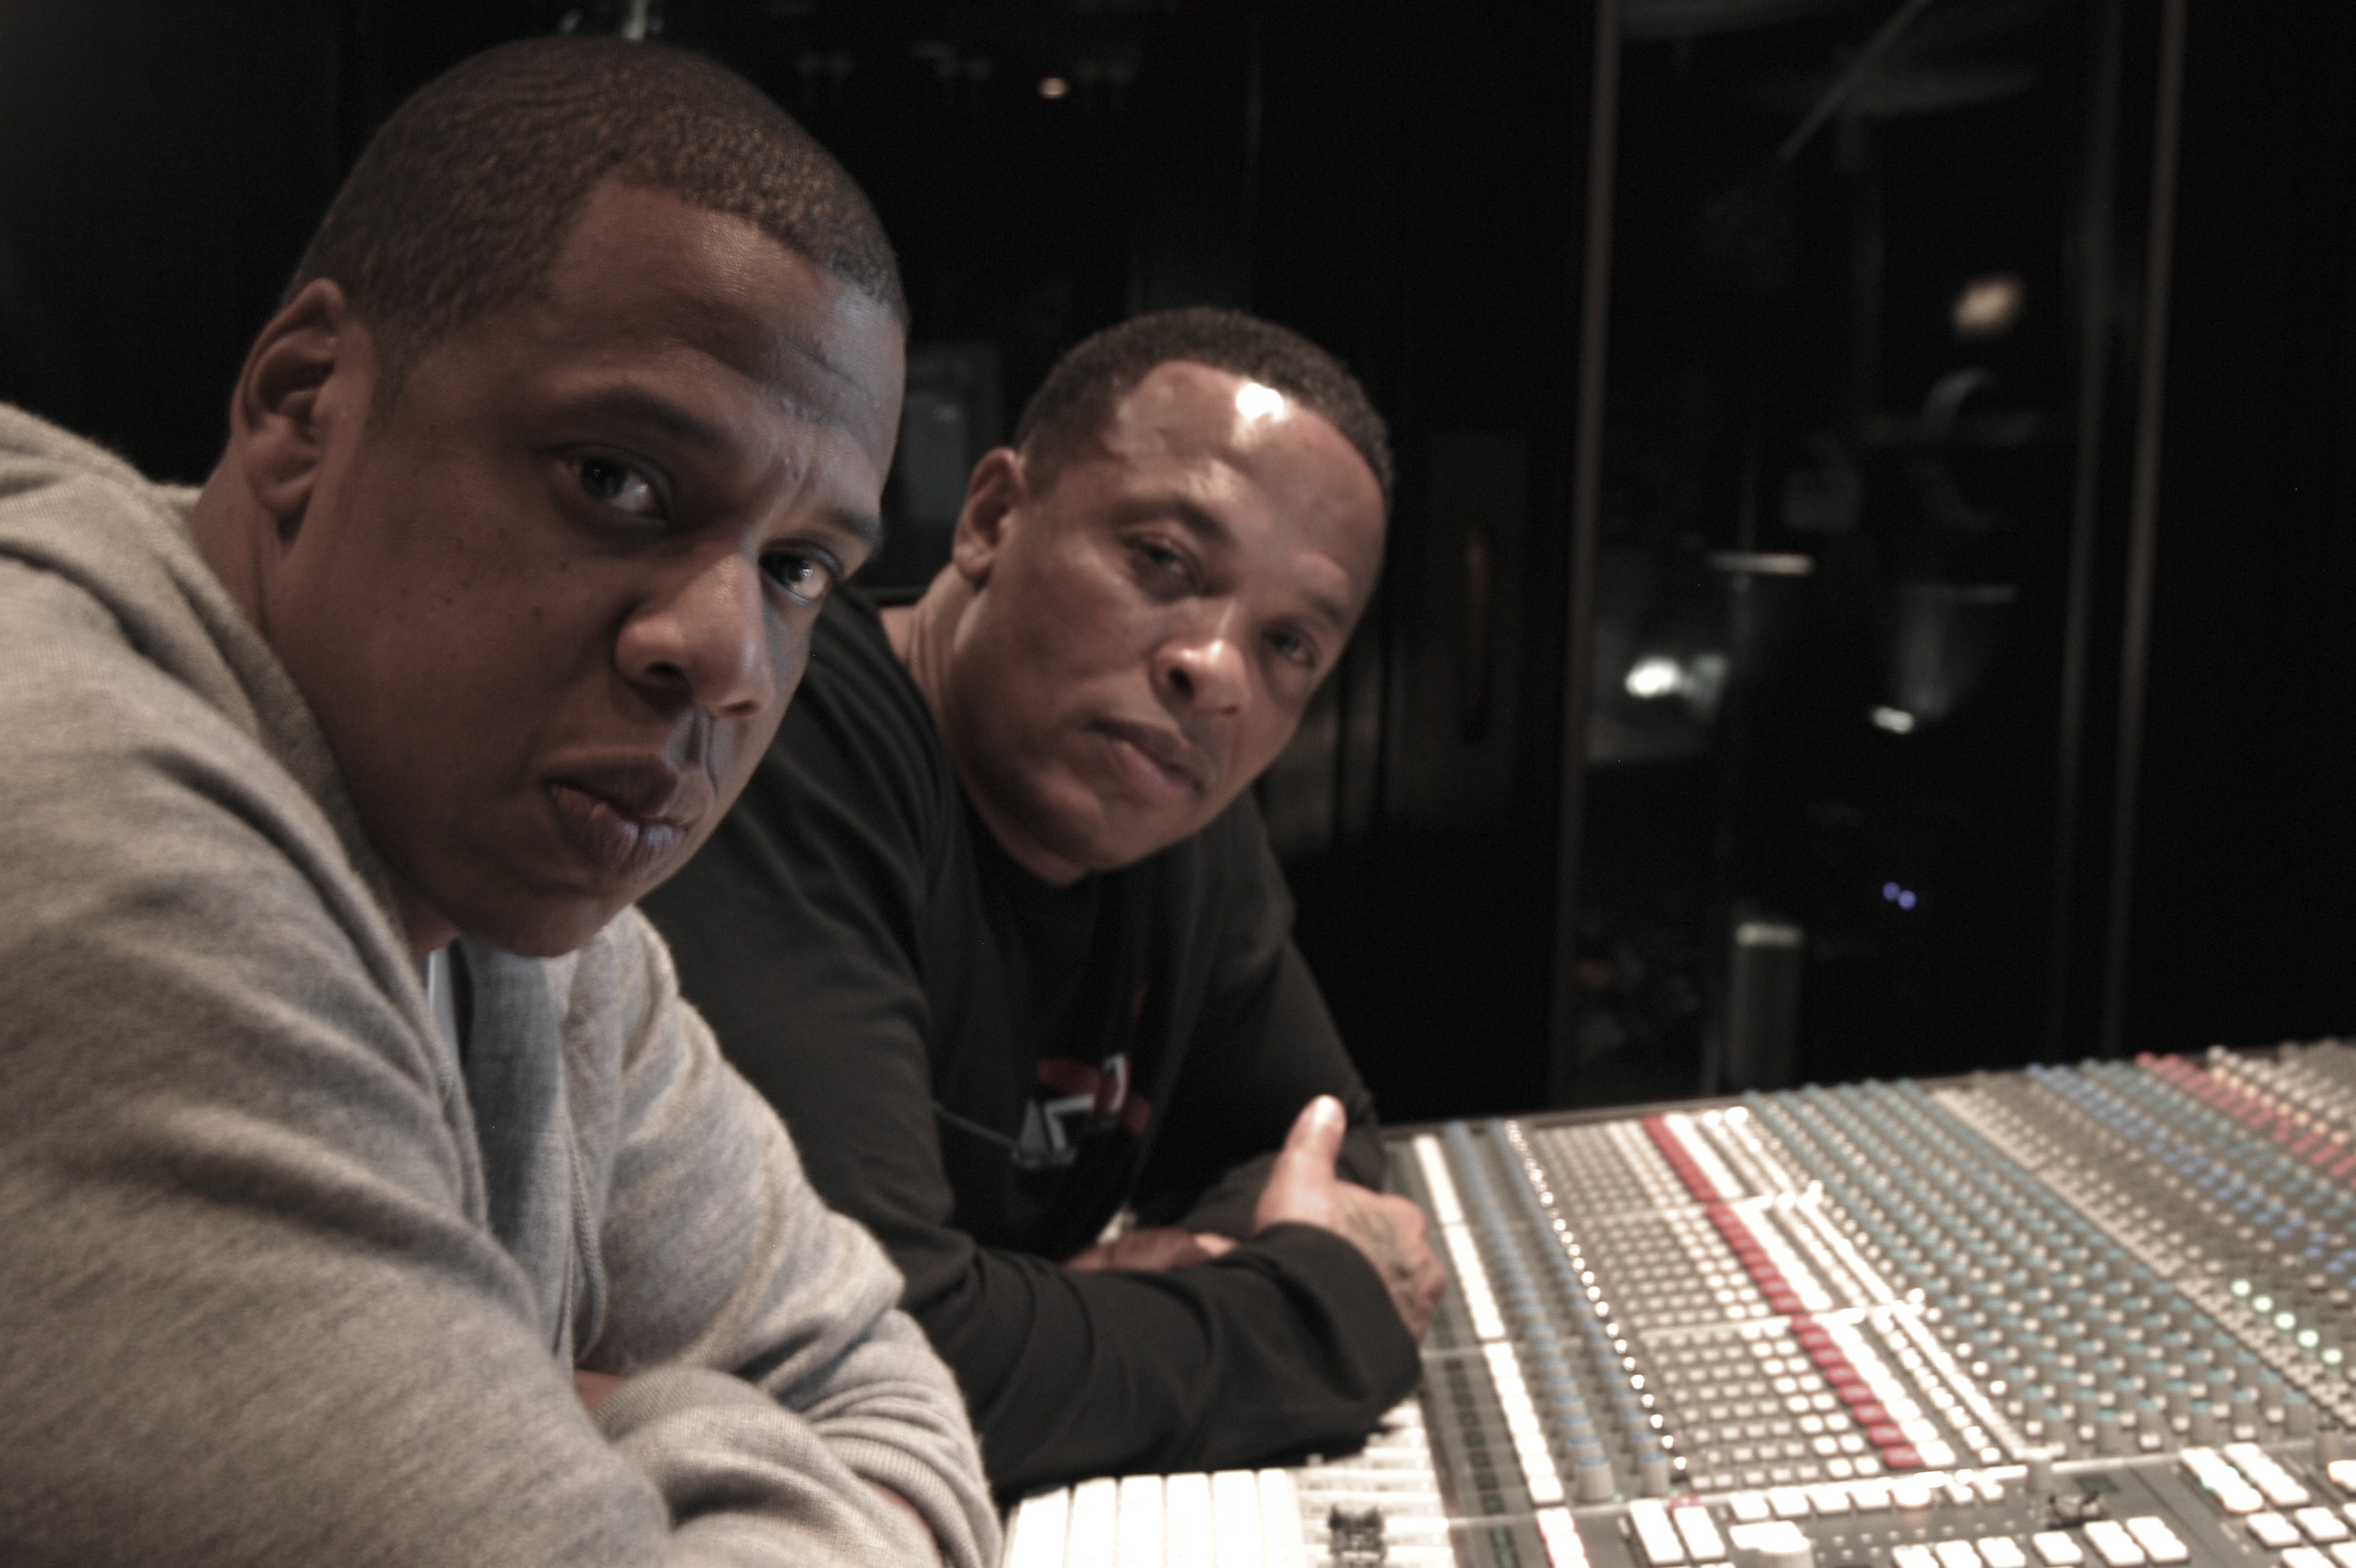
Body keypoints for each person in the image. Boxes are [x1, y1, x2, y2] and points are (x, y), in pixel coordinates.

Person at [0, 38, 1000, 1568]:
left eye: (800, 568)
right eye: (618, 480)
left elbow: (891, 1395)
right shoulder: (82, 826)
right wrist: (663, 1431)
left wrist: (600, 1422)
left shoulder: (532, 905)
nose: (727, 658)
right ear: (304, 405)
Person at [641, 308, 1449, 1494]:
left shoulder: (1181, 815)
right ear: (990, 519)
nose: (1216, 670)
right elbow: (870, 1352)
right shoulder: (781, 751)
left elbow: (1313, 1146)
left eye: (1288, 643)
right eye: (1165, 562)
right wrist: (1314, 1316)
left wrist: (1074, 1323)